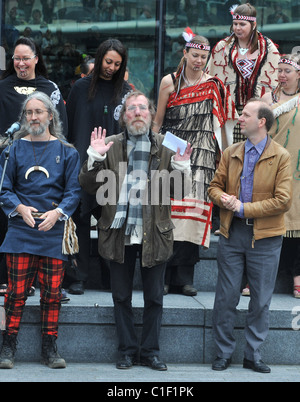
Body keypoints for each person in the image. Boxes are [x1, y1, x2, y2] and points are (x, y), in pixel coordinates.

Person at [79, 90, 192, 371]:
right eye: (131, 109)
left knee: (154, 297)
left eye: (143, 108)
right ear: (123, 116)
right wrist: (93, 158)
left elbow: (179, 191)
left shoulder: (168, 147)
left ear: (151, 113)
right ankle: (127, 351)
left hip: (155, 232)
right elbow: (87, 185)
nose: (138, 112)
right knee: (121, 297)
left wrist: (182, 167)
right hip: (119, 233)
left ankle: (151, 352)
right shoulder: (109, 145)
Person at [208, 99, 292, 373]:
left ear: (262, 122)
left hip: (266, 238)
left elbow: (283, 200)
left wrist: (244, 208)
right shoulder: (231, 152)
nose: (240, 118)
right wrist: (223, 199)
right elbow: (213, 188)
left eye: (245, 114)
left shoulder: (281, 156)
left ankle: (252, 355)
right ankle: (222, 354)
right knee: (225, 297)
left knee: (260, 300)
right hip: (232, 235)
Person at [153, 28, 237, 296]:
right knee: (169, 214)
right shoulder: (170, 82)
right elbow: (158, 120)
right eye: (195, 55)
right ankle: (164, 276)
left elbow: (223, 125)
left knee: (194, 216)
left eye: (204, 56)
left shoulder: (215, 85)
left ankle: (184, 278)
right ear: (185, 53)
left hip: (202, 157)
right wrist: (152, 150)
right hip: (172, 153)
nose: (199, 60)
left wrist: (225, 157)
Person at [0, 92, 81, 369]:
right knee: (15, 293)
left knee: (52, 293)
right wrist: (19, 208)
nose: (33, 117)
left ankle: (50, 347)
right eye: (29, 112)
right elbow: (4, 189)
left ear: (50, 115)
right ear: (24, 117)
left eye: (39, 112)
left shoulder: (68, 151)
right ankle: (7, 346)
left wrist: (58, 213)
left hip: (52, 231)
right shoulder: (11, 150)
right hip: (20, 231)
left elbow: (73, 192)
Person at [0, 36, 68, 298]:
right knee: (9, 221)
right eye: (16, 59)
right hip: (8, 165)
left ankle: (47, 283)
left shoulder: (49, 87)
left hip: (45, 166)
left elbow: (62, 127)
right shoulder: (2, 87)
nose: (21, 64)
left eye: (26, 58)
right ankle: (11, 280)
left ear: (36, 60)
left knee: (44, 221)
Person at [66, 39, 132, 295]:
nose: (111, 68)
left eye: (117, 64)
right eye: (108, 62)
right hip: (82, 165)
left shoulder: (126, 92)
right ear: (100, 57)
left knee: (110, 221)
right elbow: (69, 129)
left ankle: (110, 277)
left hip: (113, 168)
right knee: (80, 219)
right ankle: (77, 276)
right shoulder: (80, 88)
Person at [206, 3, 280, 144]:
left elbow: (276, 79)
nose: (237, 28)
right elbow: (211, 77)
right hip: (230, 111)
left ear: (253, 24)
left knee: (257, 148)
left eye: (242, 24)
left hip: (258, 111)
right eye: (235, 24)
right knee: (232, 149)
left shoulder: (268, 47)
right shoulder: (223, 47)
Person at [261, 54, 300, 299]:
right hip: (273, 166)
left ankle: (298, 276)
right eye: (280, 70)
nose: (282, 75)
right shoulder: (268, 98)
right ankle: (258, 277)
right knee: (268, 222)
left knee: (297, 223)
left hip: (298, 169)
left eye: (288, 71)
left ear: (298, 75)